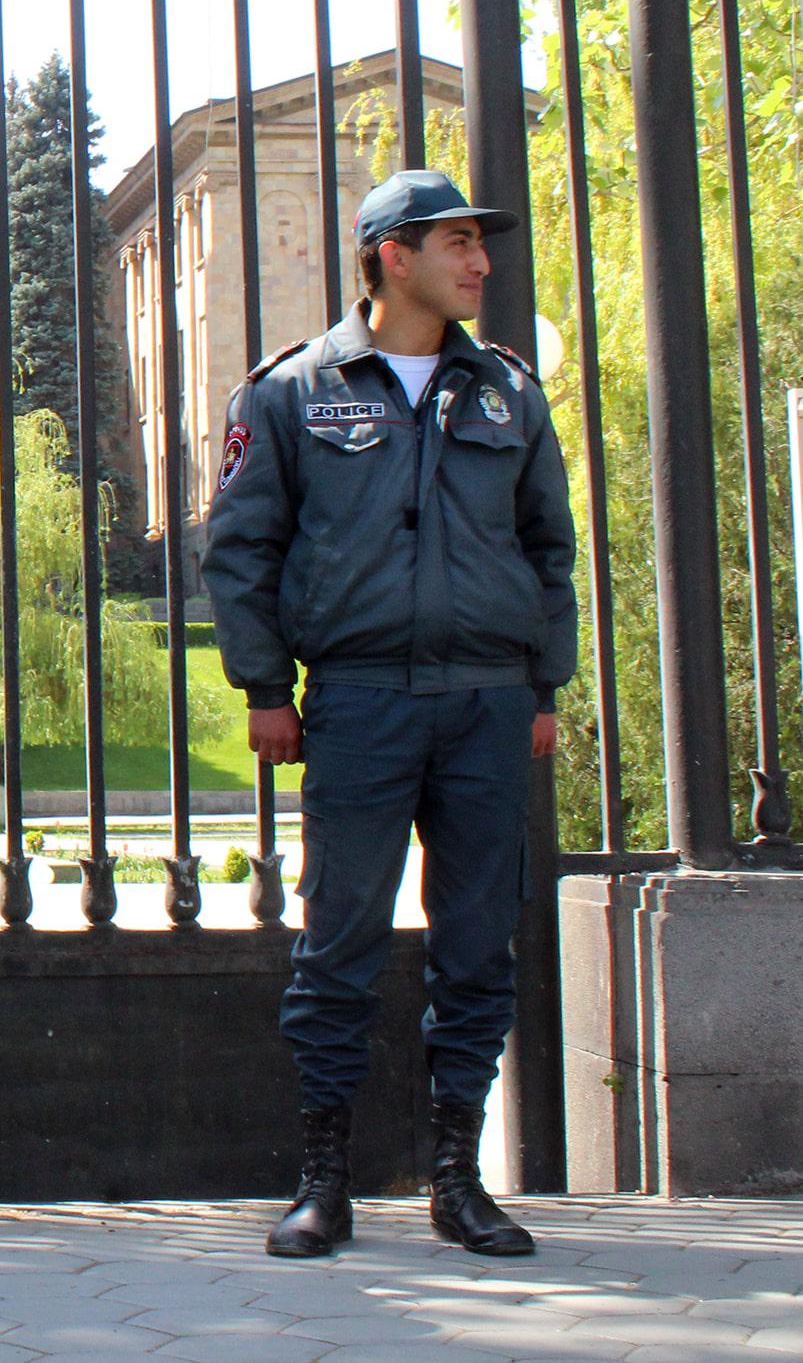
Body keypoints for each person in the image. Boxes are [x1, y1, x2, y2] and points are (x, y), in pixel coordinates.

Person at [202, 169, 576, 1262]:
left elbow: (549, 548)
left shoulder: (507, 392)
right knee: (341, 941)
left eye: (479, 242)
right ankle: (326, 1179)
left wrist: (542, 685)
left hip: (488, 706)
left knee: (475, 945)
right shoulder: (292, 391)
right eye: (456, 242)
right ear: (389, 257)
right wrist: (267, 689)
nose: (481, 262)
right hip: (361, 702)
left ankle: (457, 1181)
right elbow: (240, 551)